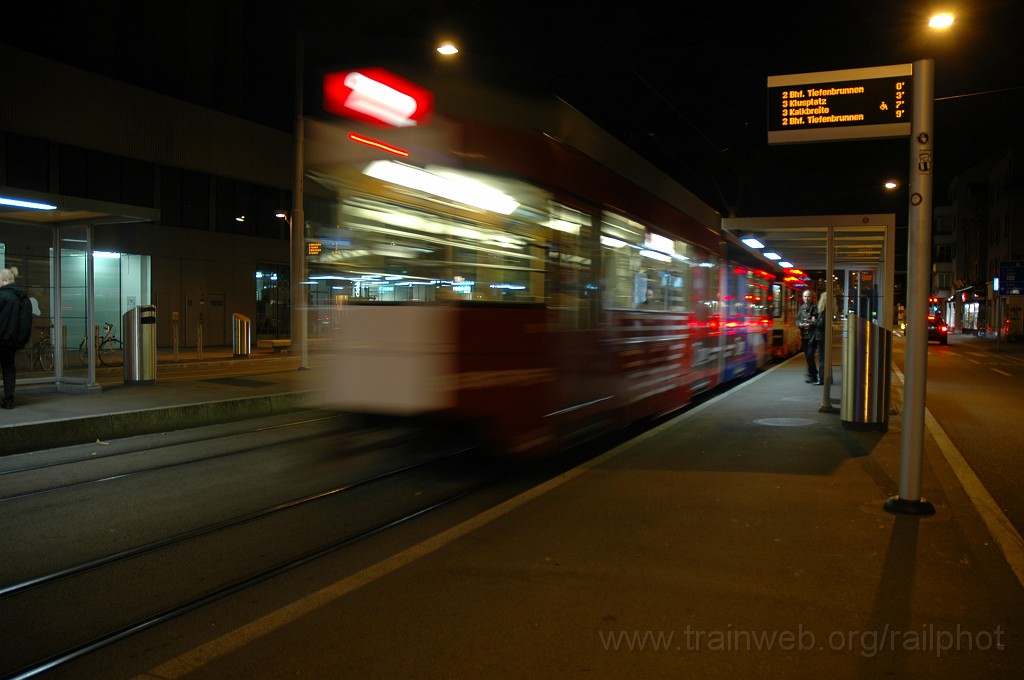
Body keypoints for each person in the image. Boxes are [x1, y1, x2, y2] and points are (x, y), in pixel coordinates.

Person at [0, 266, 29, 409]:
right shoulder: (22, 297)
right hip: (12, 342)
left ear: (4, 280)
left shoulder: (2, 296)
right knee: (9, 369)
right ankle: (8, 400)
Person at [796, 289, 819, 383]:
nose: (806, 298)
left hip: (812, 336)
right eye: (805, 296)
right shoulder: (801, 308)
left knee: (810, 355)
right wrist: (800, 325)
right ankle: (812, 374)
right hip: (804, 336)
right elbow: (797, 320)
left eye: (808, 296)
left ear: (812, 297)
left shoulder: (815, 308)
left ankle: (813, 375)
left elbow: (818, 321)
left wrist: (811, 323)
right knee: (808, 356)